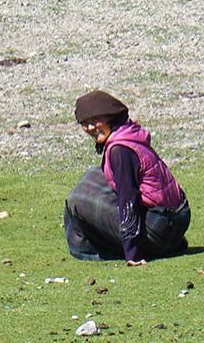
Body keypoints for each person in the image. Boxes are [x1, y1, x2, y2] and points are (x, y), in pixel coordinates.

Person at [64, 90, 190, 266]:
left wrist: (133, 254)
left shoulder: (120, 150)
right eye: (85, 124)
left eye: (94, 121)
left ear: (109, 117)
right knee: (94, 176)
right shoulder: (129, 133)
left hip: (159, 227)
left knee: (77, 199)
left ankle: (88, 248)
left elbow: (128, 201)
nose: (91, 128)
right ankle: (169, 244)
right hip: (175, 220)